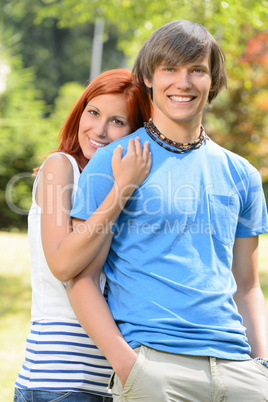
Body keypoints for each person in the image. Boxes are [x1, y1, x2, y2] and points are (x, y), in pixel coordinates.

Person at [69, 20, 268, 401]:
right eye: (170, 69)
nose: (184, 83)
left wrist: (261, 366)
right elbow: (81, 279)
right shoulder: (115, 161)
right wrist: (130, 368)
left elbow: (248, 287)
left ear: (213, 80)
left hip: (239, 371)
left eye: (197, 70)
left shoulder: (242, 174)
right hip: (156, 368)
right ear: (148, 76)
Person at [13, 69, 152, 402]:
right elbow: (63, 265)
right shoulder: (61, 168)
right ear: (80, 111)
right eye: (93, 113)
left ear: (135, 132)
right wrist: (122, 188)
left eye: (117, 122)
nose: (100, 131)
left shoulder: (112, 188)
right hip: (57, 380)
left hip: (110, 381)